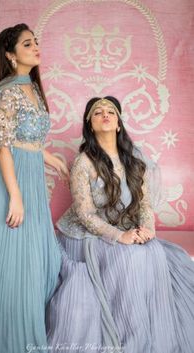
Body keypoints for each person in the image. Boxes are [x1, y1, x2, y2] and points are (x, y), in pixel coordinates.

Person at [46, 96, 194, 353]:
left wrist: (147, 230)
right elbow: (85, 215)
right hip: (86, 235)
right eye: (97, 112)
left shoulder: (134, 161)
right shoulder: (84, 162)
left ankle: (146, 331)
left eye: (111, 112)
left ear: (118, 123)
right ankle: (127, 336)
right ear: (90, 125)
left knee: (154, 252)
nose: (105, 115)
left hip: (125, 228)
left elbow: (145, 206)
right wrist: (119, 236)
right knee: (129, 259)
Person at [0, 23, 69, 353]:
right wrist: (15, 195)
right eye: (26, 44)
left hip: (30, 178)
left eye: (36, 42)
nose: (36, 47)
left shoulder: (32, 90)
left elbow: (27, 140)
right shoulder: (6, 92)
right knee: (11, 260)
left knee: (41, 261)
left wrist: (53, 161)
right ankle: (3, 335)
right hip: (9, 182)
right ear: (9, 55)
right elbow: (4, 146)